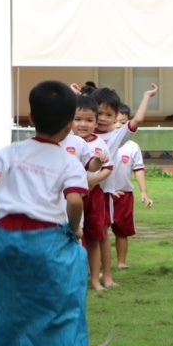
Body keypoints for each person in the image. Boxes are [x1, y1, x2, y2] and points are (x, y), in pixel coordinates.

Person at [0, 80, 101, 346]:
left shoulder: (10, 152)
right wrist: (74, 230)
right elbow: (74, 201)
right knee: (59, 300)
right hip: (45, 241)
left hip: (4, 239)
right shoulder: (68, 162)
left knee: (8, 298)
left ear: (30, 118)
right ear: (70, 125)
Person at [91, 84, 158, 288]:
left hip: (103, 194)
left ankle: (108, 276)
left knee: (101, 235)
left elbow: (137, 120)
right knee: (80, 234)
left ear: (115, 116)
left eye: (108, 114)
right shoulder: (79, 131)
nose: (102, 118)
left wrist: (146, 95)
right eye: (98, 113)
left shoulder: (116, 136)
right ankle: (87, 274)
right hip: (79, 192)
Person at [73, 95, 114, 291]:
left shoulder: (99, 143)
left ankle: (97, 279)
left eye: (89, 120)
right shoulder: (64, 141)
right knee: (72, 236)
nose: (83, 124)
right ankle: (76, 278)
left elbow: (104, 166)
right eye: (78, 119)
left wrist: (93, 180)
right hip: (70, 196)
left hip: (94, 195)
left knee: (95, 237)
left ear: (96, 122)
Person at [106, 103, 153, 269]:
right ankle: (100, 264)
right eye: (116, 121)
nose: (118, 125)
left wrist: (144, 192)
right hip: (105, 194)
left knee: (122, 231)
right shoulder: (103, 142)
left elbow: (138, 169)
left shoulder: (133, 147)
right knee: (101, 231)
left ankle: (121, 262)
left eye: (123, 121)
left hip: (124, 195)